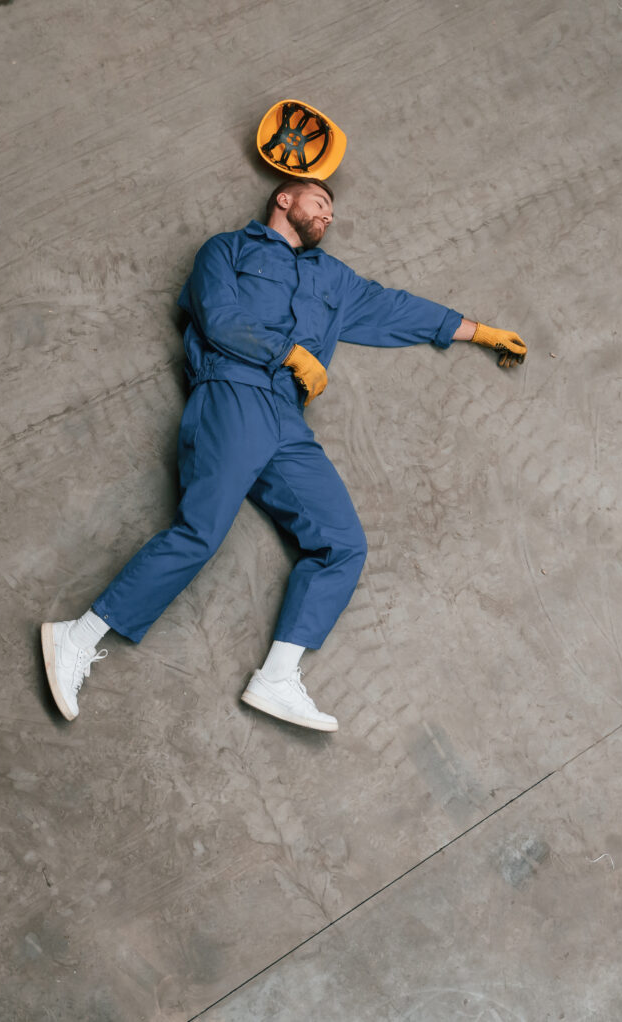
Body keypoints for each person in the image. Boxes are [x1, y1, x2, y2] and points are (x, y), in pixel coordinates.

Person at [40, 176, 526, 731]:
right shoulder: (227, 249)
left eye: (332, 212)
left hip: (287, 420)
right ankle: (75, 638)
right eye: (320, 203)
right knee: (201, 531)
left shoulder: (332, 280)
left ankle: (276, 676)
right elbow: (218, 318)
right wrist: (288, 350)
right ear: (284, 199)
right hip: (234, 391)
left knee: (344, 544)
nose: (329, 217)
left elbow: (395, 309)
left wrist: (480, 332)